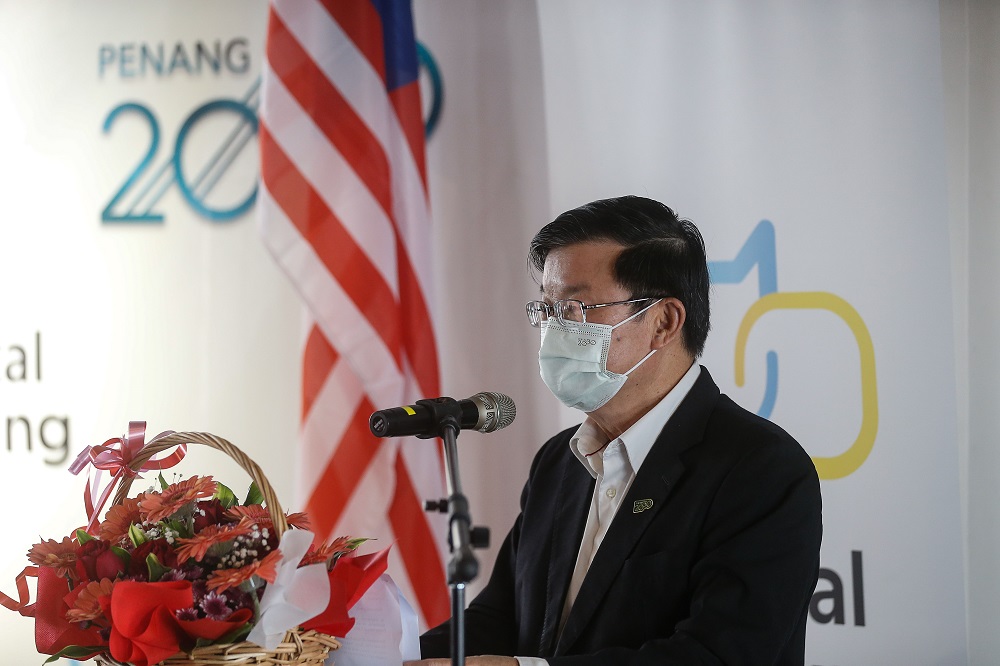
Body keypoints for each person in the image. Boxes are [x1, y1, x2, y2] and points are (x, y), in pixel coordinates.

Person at [407, 196, 822, 665]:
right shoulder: (558, 462)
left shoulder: (760, 469)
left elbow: (718, 655)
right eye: (547, 309)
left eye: (576, 308)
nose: (554, 330)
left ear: (664, 321)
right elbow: (501, 619)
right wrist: (367, 656)